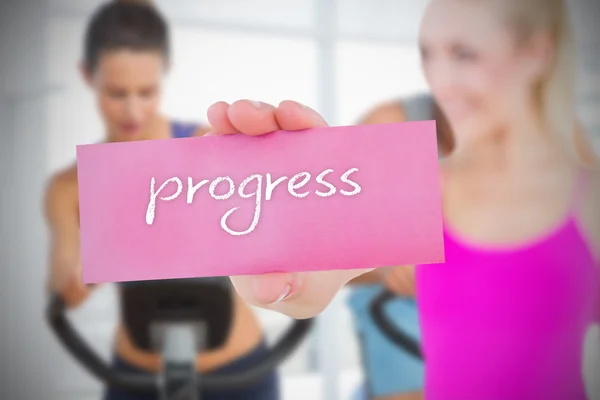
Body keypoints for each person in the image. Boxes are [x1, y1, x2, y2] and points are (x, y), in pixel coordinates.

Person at [221, 0, 600, 399]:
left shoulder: (587, 194)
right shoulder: (425, 187)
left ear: (536, 53)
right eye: (428, 54)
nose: (441, 79)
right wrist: (281, 273)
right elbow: (317, 277)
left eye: (464, 54)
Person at [43, 2, 278, 399]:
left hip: (237, 372)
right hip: (137, 378)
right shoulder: (70, 186)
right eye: (117, 94)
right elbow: (62, 284)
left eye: (147, 92)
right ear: (88, 76)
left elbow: (272, 230)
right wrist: (78, 278)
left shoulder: (207, 145)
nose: (133, 110)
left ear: (163, 74)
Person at [345, 95, 453, 400]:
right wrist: (388, 268)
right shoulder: (390, 125)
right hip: (400, 303)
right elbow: (326, 253)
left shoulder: (545, 132)